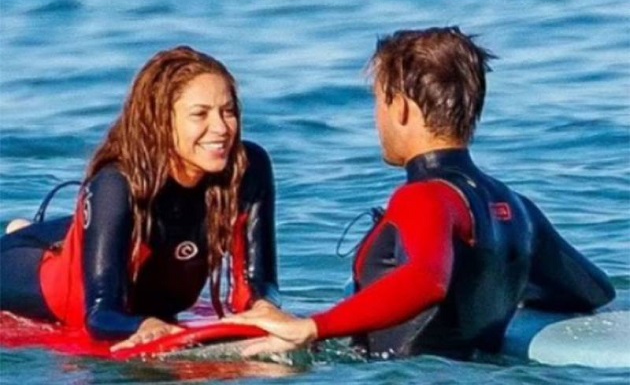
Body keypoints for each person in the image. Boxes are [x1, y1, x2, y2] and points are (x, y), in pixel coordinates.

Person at [224, 27, 616, 360]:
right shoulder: (518, 210)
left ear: (402, 108)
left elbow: (426, 280)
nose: (377, 117)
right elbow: (593, 290)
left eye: (379, 100)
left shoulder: (424, 198)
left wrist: (311, 326)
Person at [0, 46, 280, 351]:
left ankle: (37, 230)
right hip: (44, 280)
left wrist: (265, 307)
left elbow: (257, 286)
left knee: (105, 228)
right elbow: (100, 315)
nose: (221, 128)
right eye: (200, 114)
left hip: (117, 230)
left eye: (228, 111)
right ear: (161, 122)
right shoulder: (117, 183)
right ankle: (24, 236)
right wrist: (143, 325)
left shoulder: (248, 168)